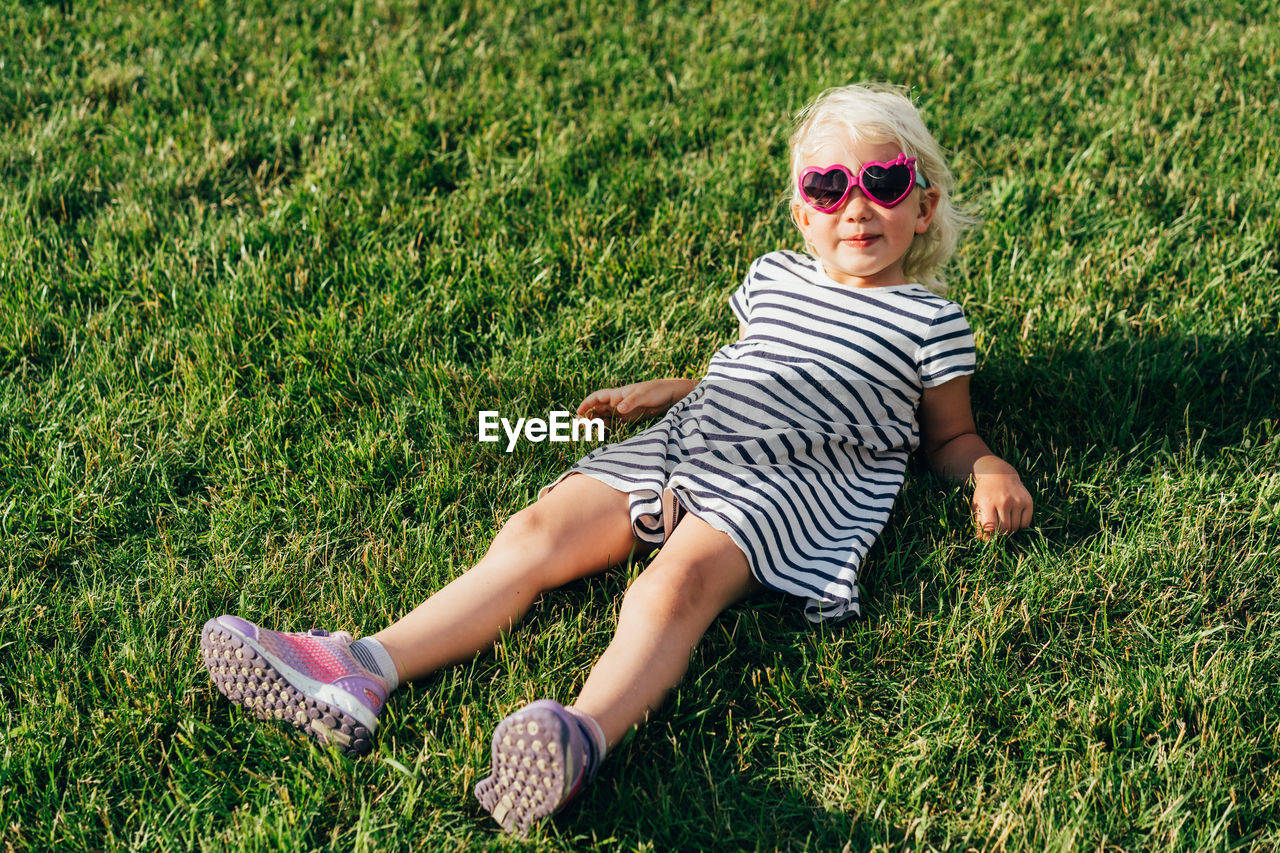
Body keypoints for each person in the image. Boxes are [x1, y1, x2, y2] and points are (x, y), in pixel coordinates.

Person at [199, 83, 1034, 836]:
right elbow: (748, 366)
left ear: (922, 207)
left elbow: (946, 436)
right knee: (535, 529)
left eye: (883, 183)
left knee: (674, 584)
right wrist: (669, 391)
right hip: (695, 434)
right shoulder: (774, 278)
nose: (858, 208)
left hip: (793, 477)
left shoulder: (928, 321)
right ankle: (360, 666)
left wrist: (986, 466)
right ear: (801, 212)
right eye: (829, 186)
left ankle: (580, 736)